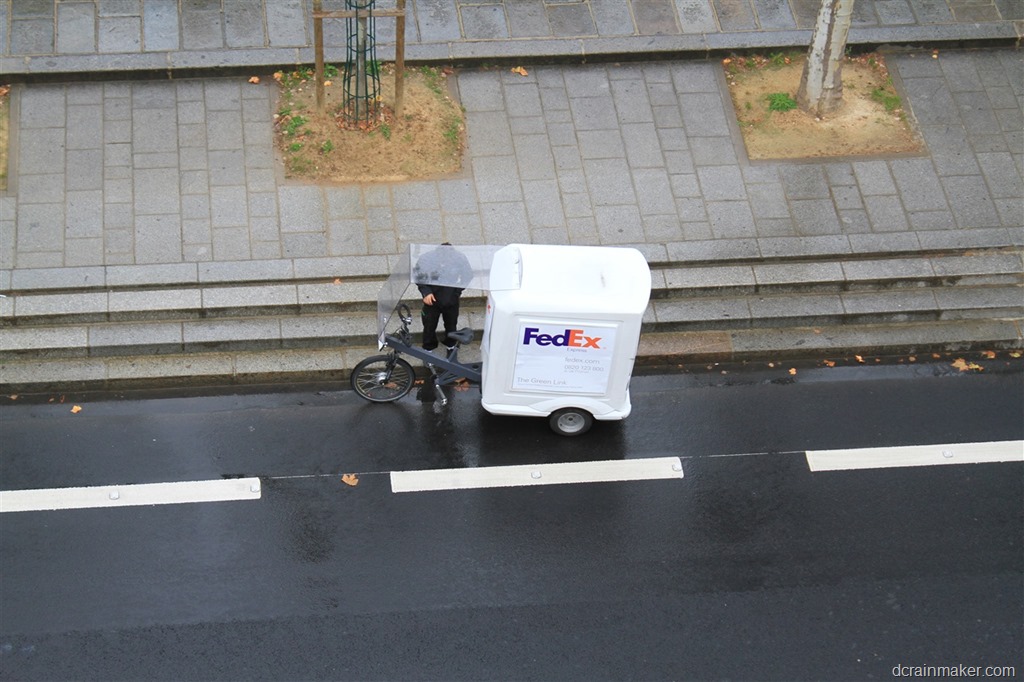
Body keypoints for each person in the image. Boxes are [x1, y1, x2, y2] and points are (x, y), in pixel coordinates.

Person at [412, 243, 474, 352]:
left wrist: (457, 292)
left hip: (451, 299)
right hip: (431, 300)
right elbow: (418, 276)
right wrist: (426, 292)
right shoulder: (426, 259)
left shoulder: (459, 258)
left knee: (451, 325)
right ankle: (428, 348)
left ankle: (450, 345)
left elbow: (468, 275)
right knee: (429, 326)